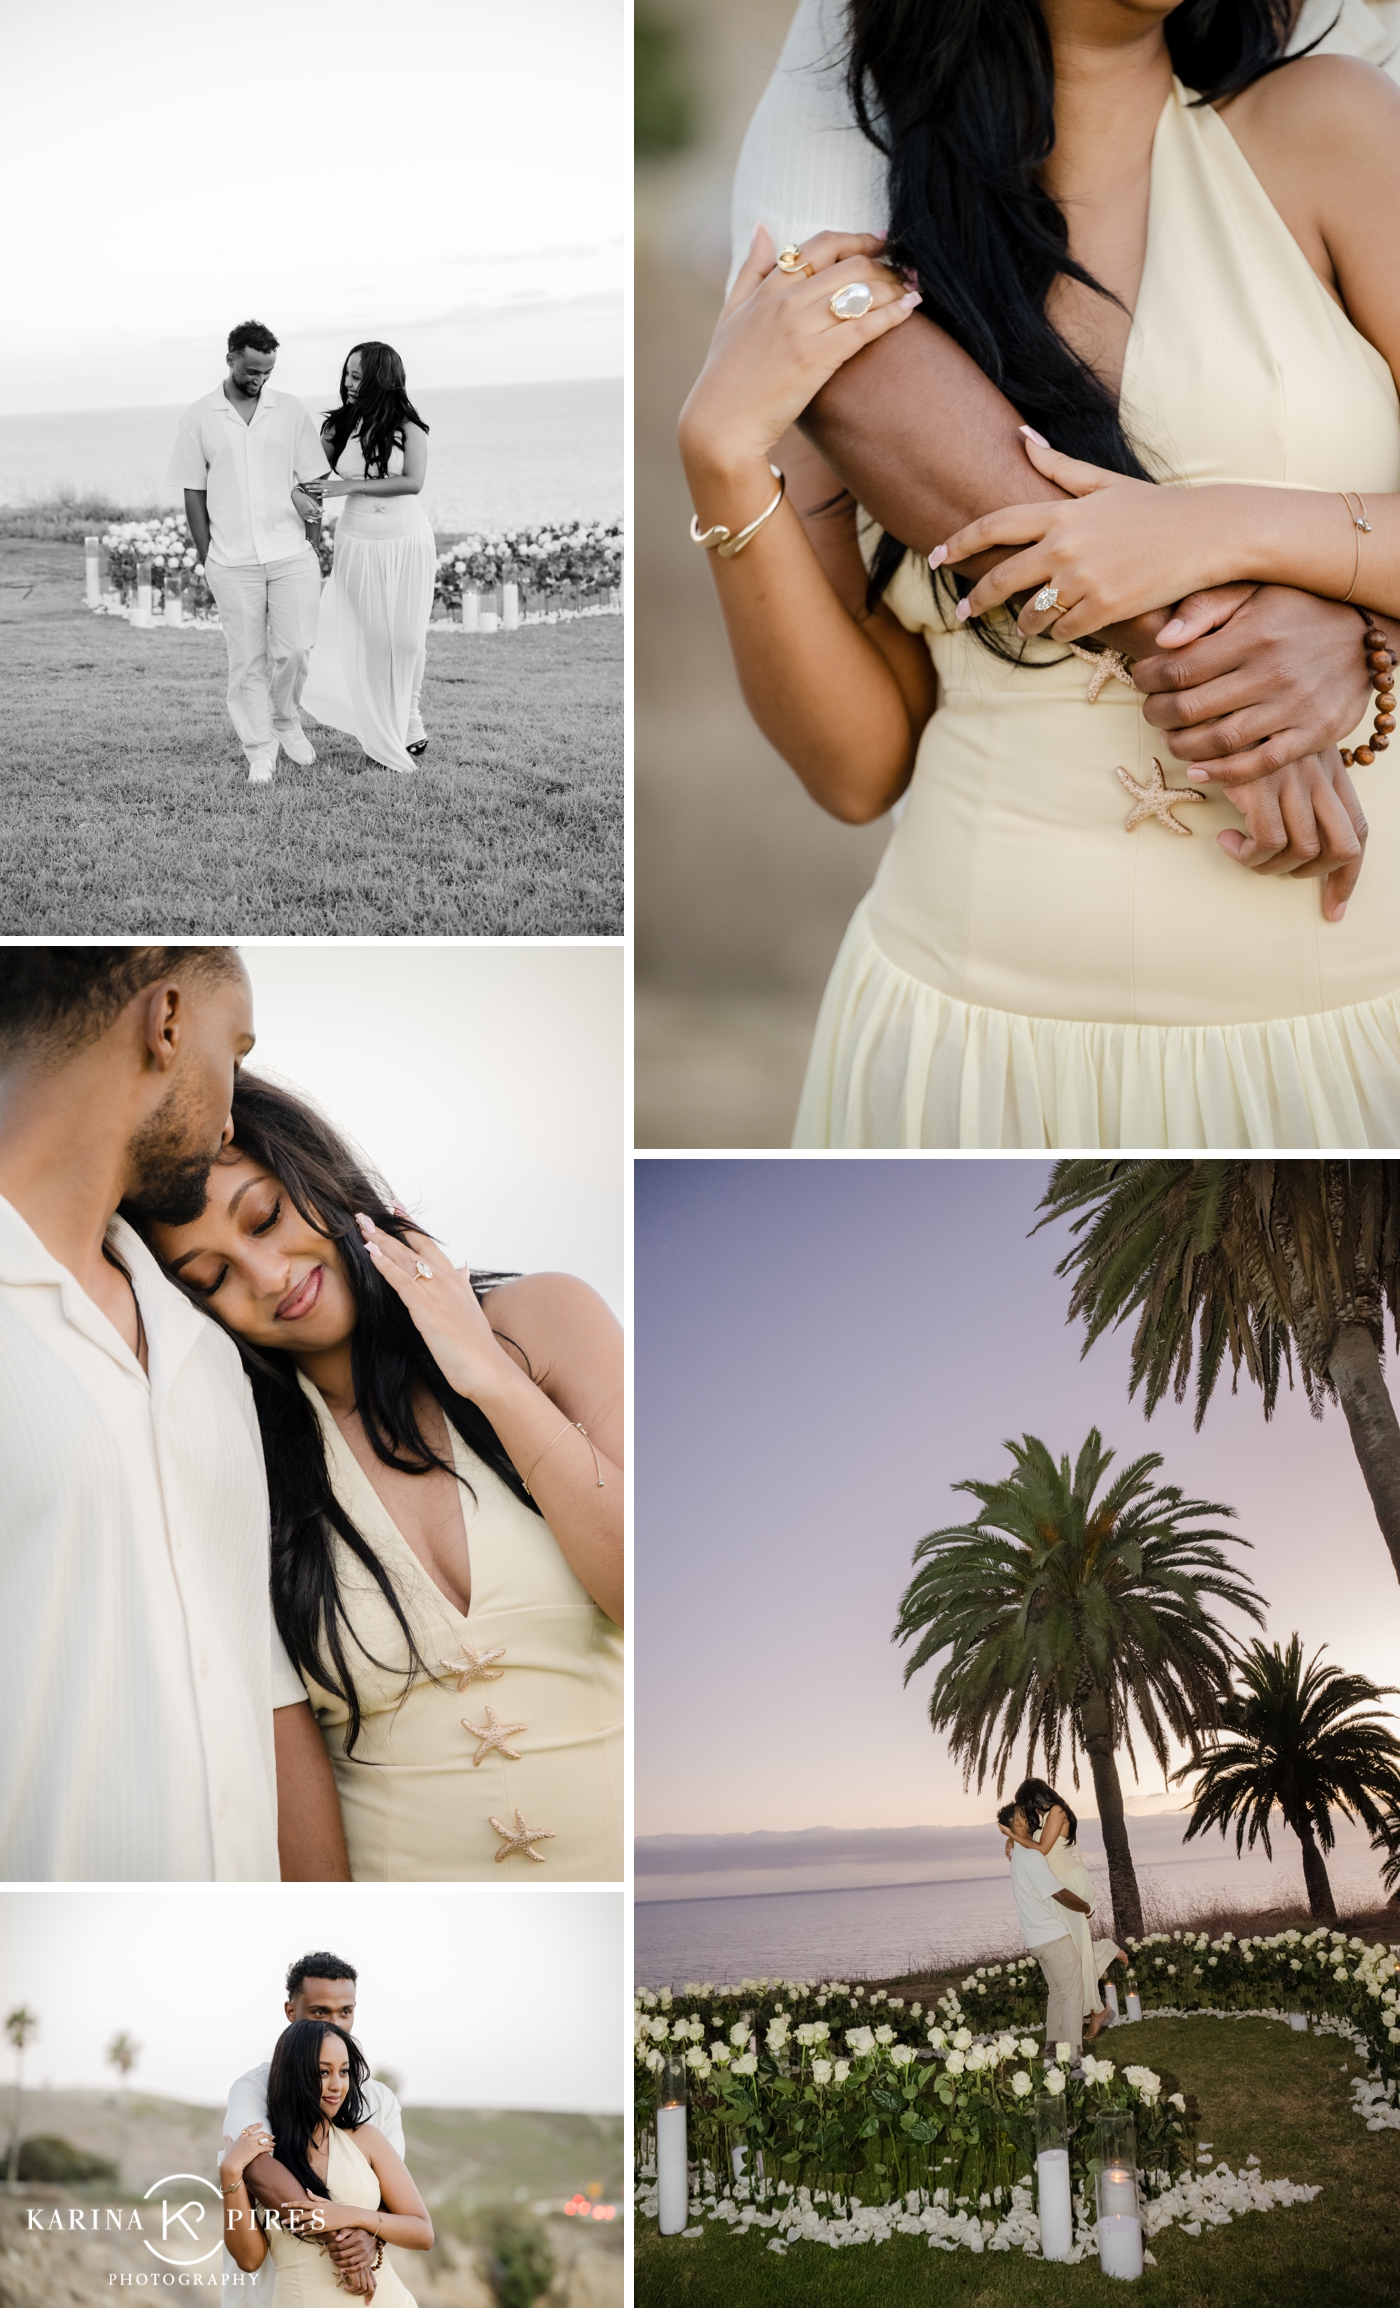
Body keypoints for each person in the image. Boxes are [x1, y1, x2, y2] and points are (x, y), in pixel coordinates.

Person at [682, 0, 1400, 1147]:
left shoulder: (1332, 131)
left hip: (1345, 1022)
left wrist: (1238, 540)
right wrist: (721, 466)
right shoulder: (866, 259)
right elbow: (856, 769)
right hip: (965, 1043)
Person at [134, 1073, 625, 1881]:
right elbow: (284, 1753)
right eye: (210, 1279)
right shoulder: (236, 1459)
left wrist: (490, 1379)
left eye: (264, 1216)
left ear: (312, 1173)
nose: (266, 1275)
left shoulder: (544, 1323)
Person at [0, 947, 347, 1881]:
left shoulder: (204, 1349)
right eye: (233, 1050)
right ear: (167, 1024)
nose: (234, 1108)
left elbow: (261, 1681)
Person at [169, 321, 332, 786]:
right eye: (252, 370)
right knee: (247, 661)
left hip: (290, 552)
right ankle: (259, 749)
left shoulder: (290, 410)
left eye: (268, 371)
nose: (260, 379)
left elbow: (312, 481)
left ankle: (285, 720)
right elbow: (193, 492)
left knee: (296, 650)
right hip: (231, 560)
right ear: (231, 359)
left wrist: (312, 539)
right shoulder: (198, 416)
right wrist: (207, 555)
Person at [223, 1951, 403, 2299]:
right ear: (291, 2012)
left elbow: (394, 2198)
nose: (334, 2025)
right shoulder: (253, 2088)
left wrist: (371, 2239)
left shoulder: (380, 2101)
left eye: (345, 2012)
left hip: (359, 2290)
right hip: (272, 2288)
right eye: (320, 2011)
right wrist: (340, 2236)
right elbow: (258, 2167)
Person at [299, 343, 436, 776]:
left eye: (358, 376)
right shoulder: (337, 427)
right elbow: (308, 479)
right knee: (377, 638)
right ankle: (385, 726)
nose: (348, 383)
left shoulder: (410, 428)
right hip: (358, 542)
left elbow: (413, 482)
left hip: (409, 541)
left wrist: (349, 487)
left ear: (381, 378)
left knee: (409, 640)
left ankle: (409, 715)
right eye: (347, 375)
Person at [1004, 1780, 1127, 2042]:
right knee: (1071, 1947)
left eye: (1026, 1805)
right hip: (1056, 1884)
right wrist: (1014, 1841)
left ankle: (1095, 2005)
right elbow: (1033, 1846)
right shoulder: (1045, 1817)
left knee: (1075, 1947)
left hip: (1066, 1884)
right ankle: (1095, 2009)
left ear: (1035, 1798)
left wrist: (1012, 1837)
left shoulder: (1057, 1811)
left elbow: (1042, 1849)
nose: (1027, 1812)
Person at [997, 1800, 1094, 2058]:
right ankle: (1074, 2061)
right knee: (1073, 1997)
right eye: (1023, 1814)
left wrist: (1009, 1838)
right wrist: (1085, 1907)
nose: (1030, 1816)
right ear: (1017, 1823)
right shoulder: (1030, 1856)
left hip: (1036, 1941)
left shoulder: (1018, 1853)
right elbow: (1059, 1894)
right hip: (1053, 1939)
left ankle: (1051, 2058)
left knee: (1057, 1996)